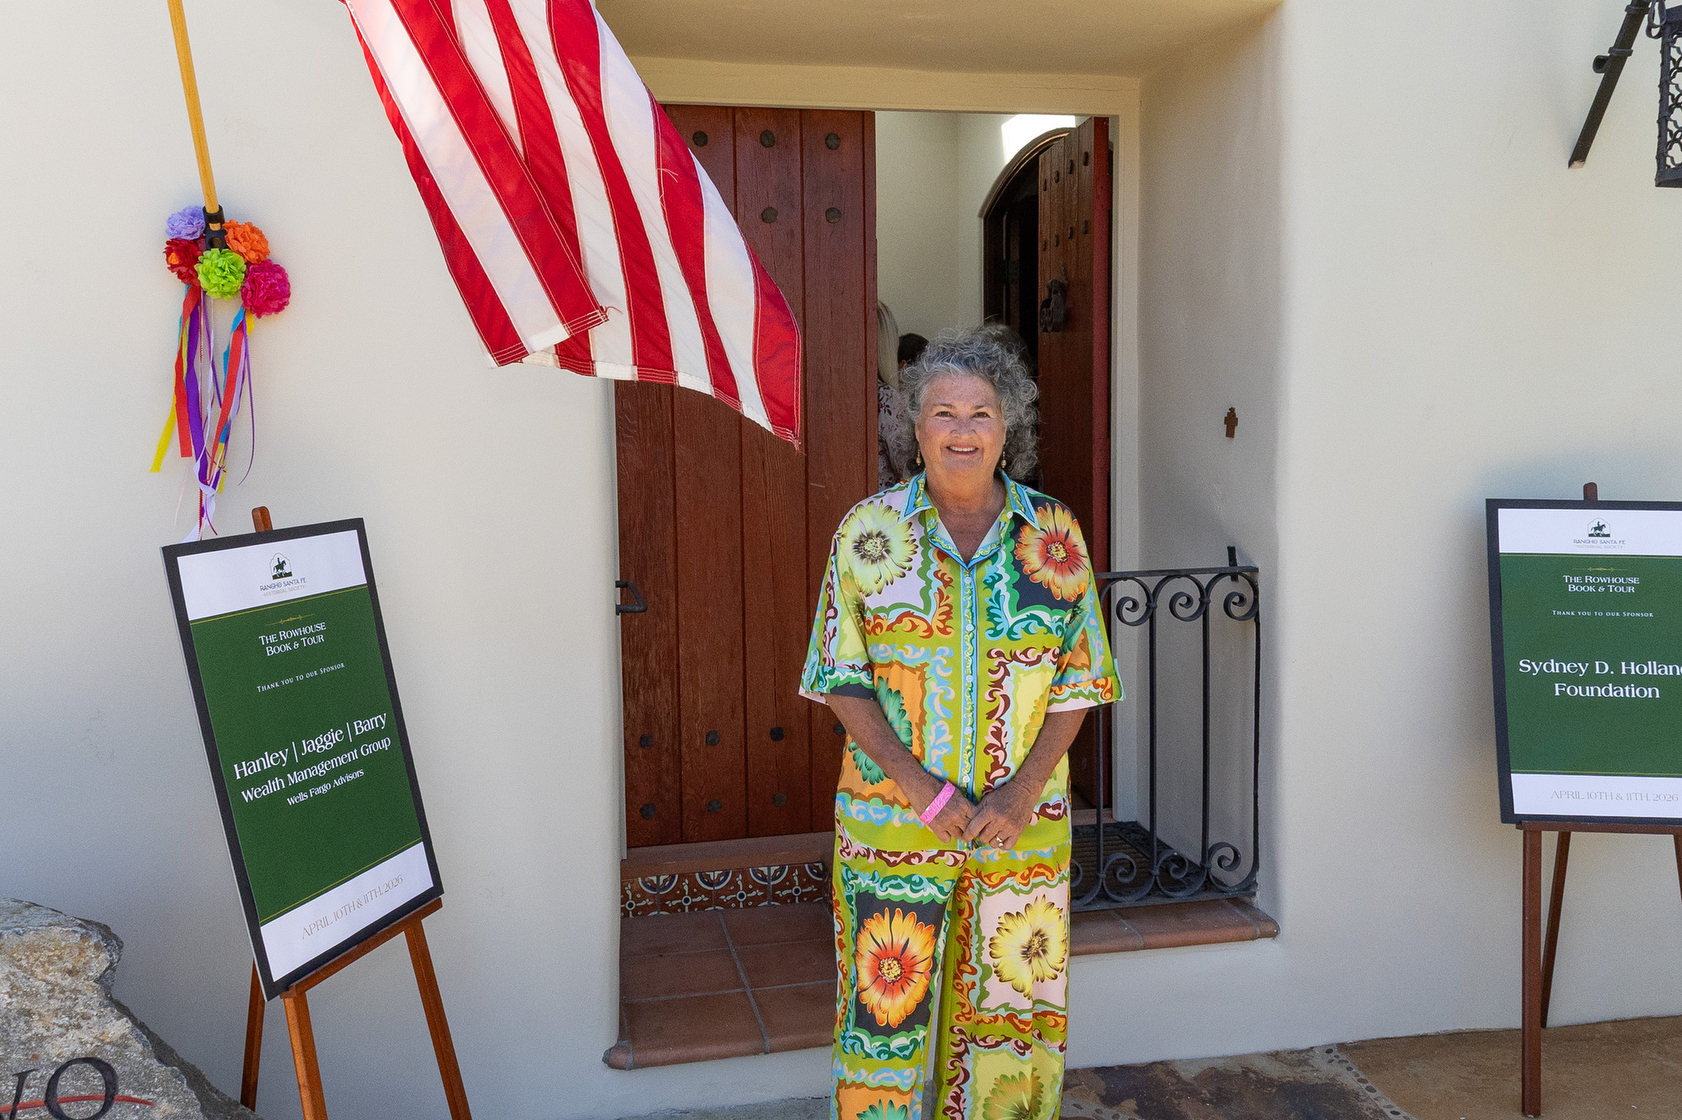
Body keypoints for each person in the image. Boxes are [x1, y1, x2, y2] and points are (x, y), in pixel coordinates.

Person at [800, 328, 1121, 1120]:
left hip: (1024, 825)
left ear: (1009, 427)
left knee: (1014, 1016)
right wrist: (920, 789)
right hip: (893, 826)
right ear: (915, 428)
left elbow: (1081, 680)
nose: (963, 430)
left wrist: (1022, 792)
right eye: (944, 413)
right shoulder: (867, 535)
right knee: (886, 1022)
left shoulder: (1054, 536)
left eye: (981, 413)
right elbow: (838, 680)